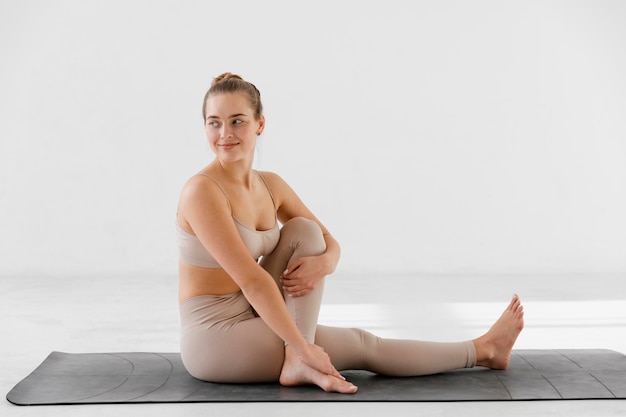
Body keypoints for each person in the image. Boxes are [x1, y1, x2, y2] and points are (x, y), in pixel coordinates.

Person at [176, 72, 525, 394]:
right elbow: (253, 281)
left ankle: (487, 350)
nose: (225, 134)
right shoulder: (202, 192)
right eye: (214, 123)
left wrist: (325, 262)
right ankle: (482, 350)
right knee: (360, 346)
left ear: (260, 124)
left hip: (252, 312)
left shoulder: (271, 185)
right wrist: (303, 346)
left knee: (305, 233)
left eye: (237, 121)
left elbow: (328, 242)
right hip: (215, 337)